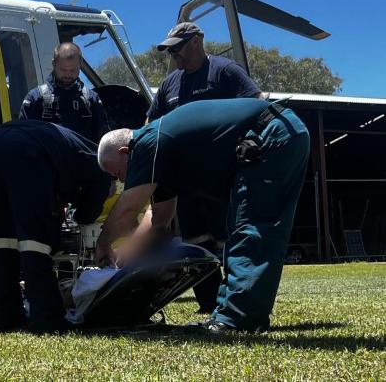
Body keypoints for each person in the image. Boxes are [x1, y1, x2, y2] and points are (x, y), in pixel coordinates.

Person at [95, 98, 310, 333]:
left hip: (269, 135)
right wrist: (131, 251)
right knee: (240, 229)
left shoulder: (148, 142)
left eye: (117, 173)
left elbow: (127, 209)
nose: (122, 182)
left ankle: (238, 321)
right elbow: (159, 221)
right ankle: (230, 313)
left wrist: (103, 244)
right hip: (273, 134)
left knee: (252, 228)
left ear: (125, 151)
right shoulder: (162, 161)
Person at [150, 21, 263, 313]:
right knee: (196, 243)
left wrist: (251, 139)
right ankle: (207, 305)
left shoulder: (224, 72)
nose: (174, 55)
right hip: (186, 181)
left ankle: (235, 303)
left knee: (228, 239)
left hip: (222, 175)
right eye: (170, 50)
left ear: (197, 41)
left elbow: (258, 103)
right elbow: (151, 124)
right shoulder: (169, 84)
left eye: (178, 48)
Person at [0, 120, 111, 334]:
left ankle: (7, 319)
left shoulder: (75, 148)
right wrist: (85, 215)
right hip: (27, 151)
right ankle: (46, 319)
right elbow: (94, 200)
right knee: (35, 244)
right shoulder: (100, 166)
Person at [19, 42, 109, 143]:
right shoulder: (35, 98)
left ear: (80, 65)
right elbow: (24, 140)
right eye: (63, 70)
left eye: (72, 70)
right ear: (54, 64)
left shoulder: (91, 99)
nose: (68, 74)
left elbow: (103, 140)